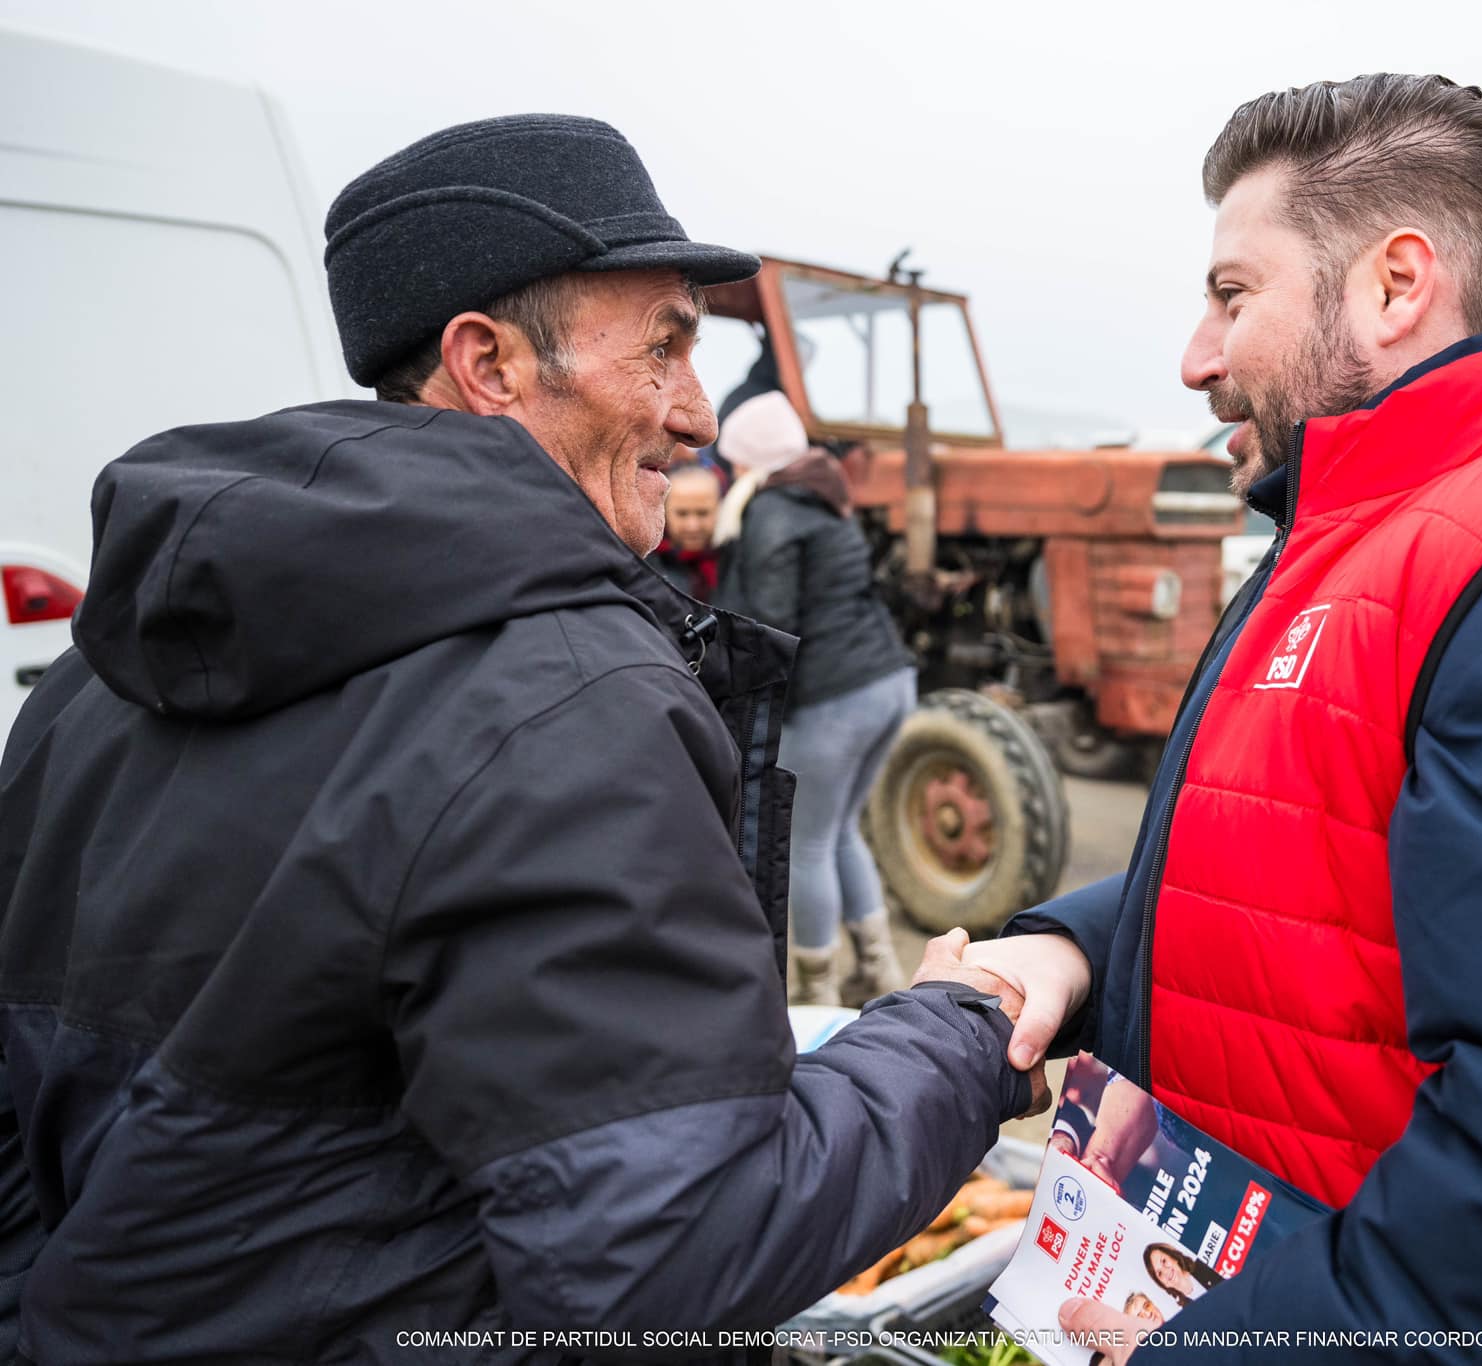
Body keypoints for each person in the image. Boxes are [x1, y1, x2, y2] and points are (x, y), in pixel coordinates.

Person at [0, 115, 1041, 1364]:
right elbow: (674, 1246)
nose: (696, 415)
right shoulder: (570, 705)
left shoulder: (93, 674)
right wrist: (956, 1032)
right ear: (488, 364)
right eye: (662, 348)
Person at [966, 75, 1482, 1364]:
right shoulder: (1357, 541)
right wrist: (1070, 951)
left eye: (1232, 295)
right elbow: (1305, 866)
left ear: (1395, 286)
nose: (1195, 357)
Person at [714, 389, 919, 1006]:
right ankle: (880, 969)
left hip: (835, 697)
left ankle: (816, 993)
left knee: (804, 842)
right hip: (888, 681)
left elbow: (771, 620)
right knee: (840, 830)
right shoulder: (826, 498)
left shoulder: (772, 510)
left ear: (749, 458)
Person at [648, 461, 723, 599]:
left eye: (703, 513)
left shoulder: (735, 562)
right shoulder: (645, 566)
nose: (692, 526)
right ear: (663, 511)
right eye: (682, 514)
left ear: (719, 509)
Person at [1143, 1245, 1220, 1310]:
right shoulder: (1182, 1312)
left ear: (1173, 1257)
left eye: (1164, 1261)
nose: (1166, 1272)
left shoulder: (1205, 1266)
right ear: (1161, 1283)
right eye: (1159, 1273)